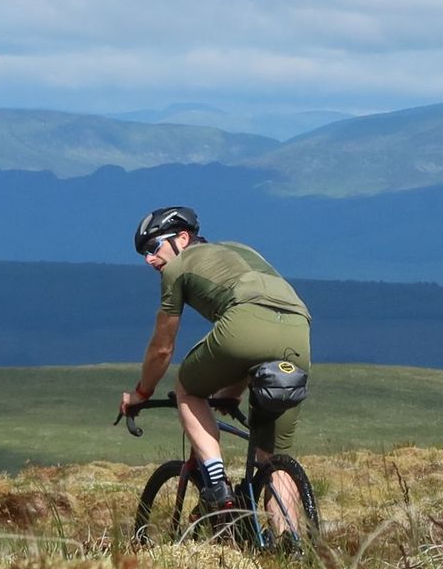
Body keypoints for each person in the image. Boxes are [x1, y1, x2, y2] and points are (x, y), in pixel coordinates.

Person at [119, 206, 312, 532]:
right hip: (298, 330)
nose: (149, 260)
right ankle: (289, 548)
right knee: (273, 459)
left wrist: (141, 392)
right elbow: (250, 351)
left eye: (153, 248)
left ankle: (216, 485)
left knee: (188, 389)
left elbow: (162, 347)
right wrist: (230, 393)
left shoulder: (176, 268)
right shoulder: (240, 248)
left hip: (245, 323)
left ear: (182, 238)